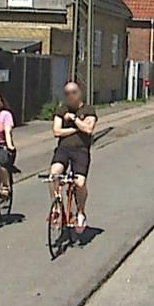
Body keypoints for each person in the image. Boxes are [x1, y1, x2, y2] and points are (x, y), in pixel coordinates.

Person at [49, 81, 98, 230]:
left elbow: (88, 129)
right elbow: (57, 131)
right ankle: (57, 207)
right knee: (54, 174)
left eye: (73, 92)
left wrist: (74, 119)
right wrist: (76, 130)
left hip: (80, 150)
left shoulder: (88, 110)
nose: (70, 96)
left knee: (80, 183)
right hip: (63, 149)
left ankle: (81, 211)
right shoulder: (61, 110)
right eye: (67, 93)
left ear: (80, 93)